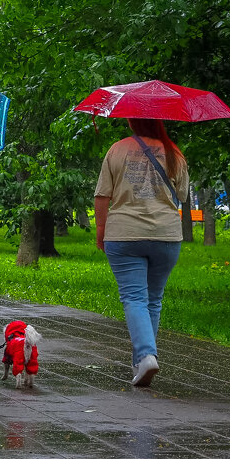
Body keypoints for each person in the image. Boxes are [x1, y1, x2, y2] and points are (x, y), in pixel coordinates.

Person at [93, 118, 189, 387]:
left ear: (133, 120)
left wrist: (101, 230)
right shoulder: (174, 152)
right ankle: (142, 359)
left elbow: (102, 196)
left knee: (134, 297)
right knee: (153, 299)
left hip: (125, 234)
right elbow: (181, 194)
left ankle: (146, 356)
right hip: (166, 236)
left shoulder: (116, 149)